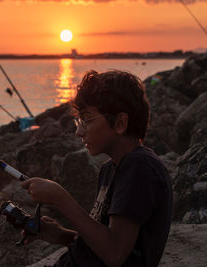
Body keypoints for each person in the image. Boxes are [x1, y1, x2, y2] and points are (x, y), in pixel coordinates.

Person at [21, 70, 173, 267]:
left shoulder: (140, 167)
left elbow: (115, 253)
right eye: (79, 121)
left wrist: (59, 197)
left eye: (87, 119)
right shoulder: (110, 169)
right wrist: (62, 235)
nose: (79, 131)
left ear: (120, 123)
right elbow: (105, 241)